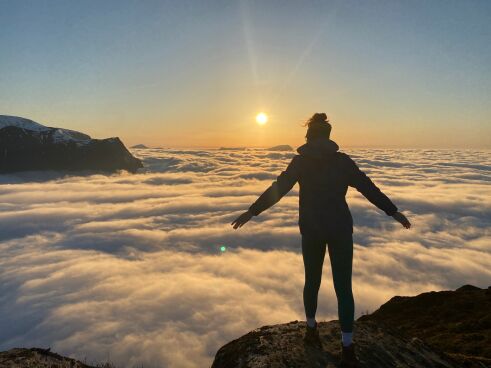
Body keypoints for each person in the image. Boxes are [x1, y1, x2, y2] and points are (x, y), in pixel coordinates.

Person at [231, 113, 411, 367]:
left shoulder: (300, 163)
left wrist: (252, 211)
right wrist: (393, 211)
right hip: (340, 230)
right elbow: (369, 188)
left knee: (311, 281)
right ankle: (347, 346)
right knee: (344, 288)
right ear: (328, 136)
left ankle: (311, 329)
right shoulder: (343, 162)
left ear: (309, 136)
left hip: (312, 230)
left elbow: (279, 189)